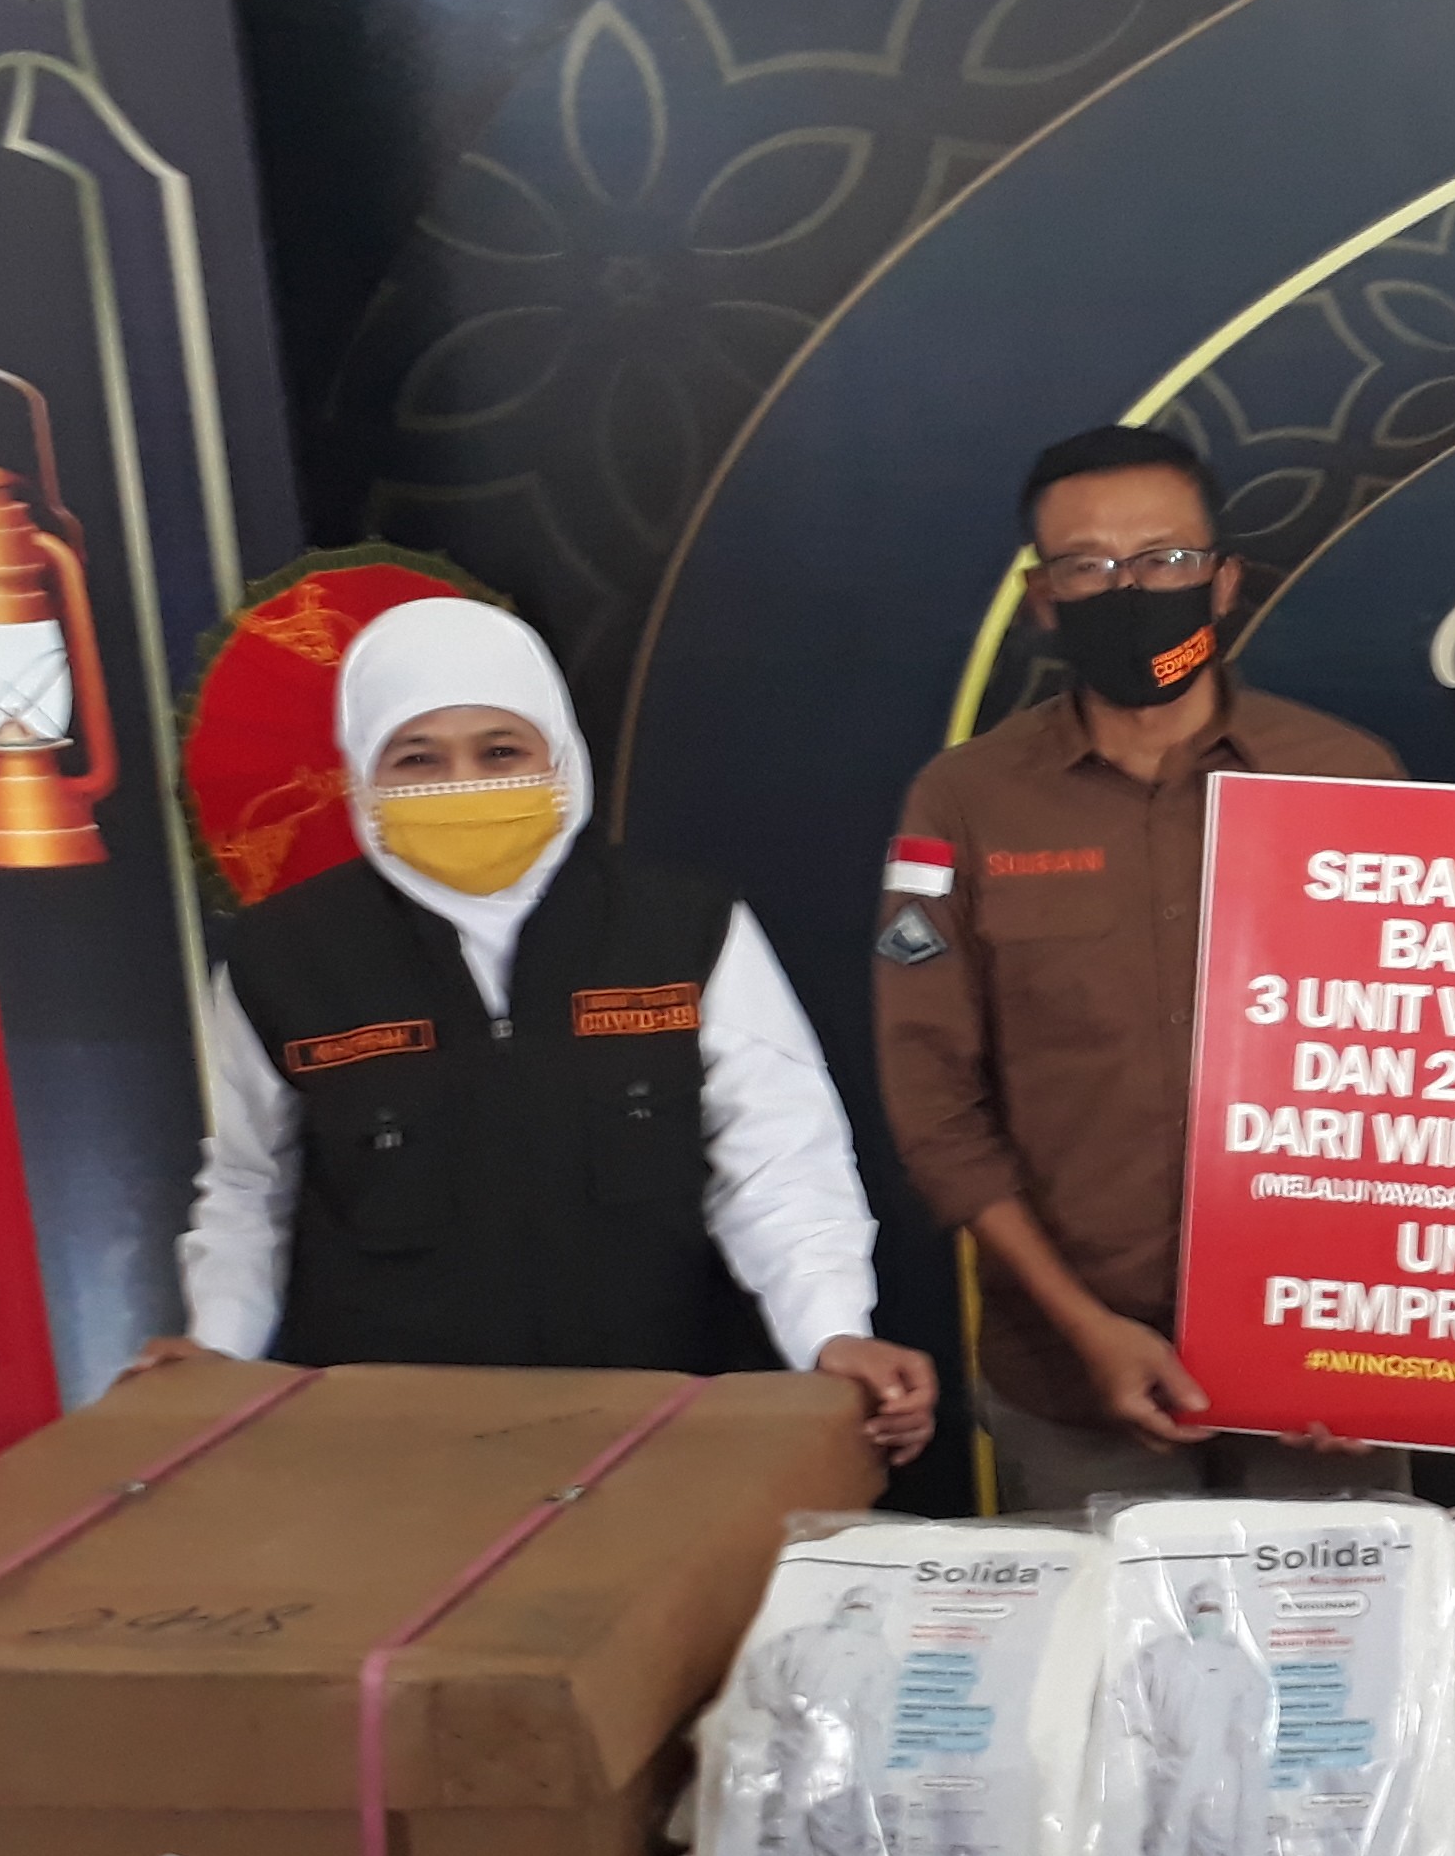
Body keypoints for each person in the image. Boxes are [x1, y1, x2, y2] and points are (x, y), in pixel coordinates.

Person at [150, 598, 936, 1459]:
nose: (464, 784)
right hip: (385, 1442)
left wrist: (831, 1327)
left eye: (501, 752)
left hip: (662, 1421)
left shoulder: (682, 926)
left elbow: (779, 1161)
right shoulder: (283, 957)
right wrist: (216, 1347)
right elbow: (250, 1189)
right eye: (418, 758)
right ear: (364, 774)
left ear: (559, 754)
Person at [874, 423, 1402, 1509]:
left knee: (1334, 1624)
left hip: (1324, 1363)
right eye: (1088, 567)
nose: (1130, 592)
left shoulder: (1349, 775)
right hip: (1071, 1375)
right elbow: (934, 1104)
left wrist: (1374, 1333)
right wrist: (1087, 1327)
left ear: (1222, 582)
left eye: (1165, 560)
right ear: (1043, 598)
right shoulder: (963, 801)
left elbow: (1433, 1071)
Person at [742, 1582, 904, 1856]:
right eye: (855, 1607)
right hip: (794, 1741)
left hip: (835, 1749)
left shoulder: (878, 1655)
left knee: (833, 1818)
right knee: (783, 1815)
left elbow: (878, 1708)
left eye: (864, 1608)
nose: (858, 1615)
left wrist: (863, 1741)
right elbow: (759, 1666)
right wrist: (780, 1704)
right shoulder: (805, 1638)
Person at [1122, 1577, 1277, 1856]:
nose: (1208, 1616)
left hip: (1219, 1769)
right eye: (1203, 1609)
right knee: (1163, 1848)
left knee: (1218, 1846)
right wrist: (1148, 1732)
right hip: (1174, 1767)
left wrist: (1243, 1737)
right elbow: (1128, 1693)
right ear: (1188, 1612)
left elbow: (1254, 1705)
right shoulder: (1162, 1654)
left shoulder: (1236, 1659)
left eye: (1214, 1609)